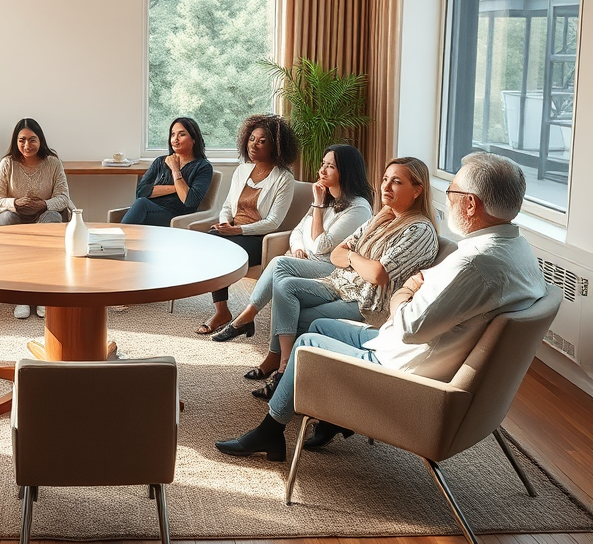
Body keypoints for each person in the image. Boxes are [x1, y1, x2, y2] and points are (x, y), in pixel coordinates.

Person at [215, 152, 547, 462]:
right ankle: (331, 417)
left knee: (306, 343)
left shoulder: (473, 264)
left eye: (451, 192)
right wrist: (410, 285)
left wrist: (405, 292)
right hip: (399, 343)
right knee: (318, 325)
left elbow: (411, 328)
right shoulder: (516, 251)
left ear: (470, 204)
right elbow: (347, 257)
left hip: (401, 366)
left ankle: (270, 432)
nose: (447, 199)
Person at [244, 156, 438, 401]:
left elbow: (378, 275)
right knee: (286, 287)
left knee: (298, 317)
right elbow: (337, 254)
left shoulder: (418, 230)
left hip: (368, 304)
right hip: (341, 284)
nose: (386, 187)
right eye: (385, 179)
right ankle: (281, 364)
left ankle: (286, 377)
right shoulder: (381, 218)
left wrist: (353, 256)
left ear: (417, 190)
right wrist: (357, 260)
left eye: (396, 182)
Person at [212, 144, 373, 342]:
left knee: (279, 263)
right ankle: (268, 341)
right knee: (281, 272)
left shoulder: (358, 209)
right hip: (308, 260)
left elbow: (321, 246)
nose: (322, 170)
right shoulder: (328, 198)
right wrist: (298, 248)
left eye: (330, 166)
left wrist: (318, 205)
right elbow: (297, 231)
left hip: (332, 268)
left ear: (347, 171)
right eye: (323, 164)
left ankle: (247, 317)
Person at [196, 114, 299, 335]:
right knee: (206, 242)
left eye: (262, 141)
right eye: (252, 139)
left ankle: (222, 313)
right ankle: (222, 311)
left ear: (276, 146)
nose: (254, 145)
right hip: (232, 230)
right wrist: (225, 223)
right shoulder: (242, 170)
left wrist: (237, 230)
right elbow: (227, 206)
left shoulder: (284, 178)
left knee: (221, 250)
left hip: (258, 238)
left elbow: (273, 222)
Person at [0, 118, 71, 319]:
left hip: (44, 216)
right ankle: (21, 295)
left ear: (40, 140)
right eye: (22, 140)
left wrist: (44, 204)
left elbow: (63, 197)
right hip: (16, 218)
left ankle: (43, 293)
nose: (27, 145)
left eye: (32, 139)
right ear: (15, 142)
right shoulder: (7, 163)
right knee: (5, 218)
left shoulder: (53, 163)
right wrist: (15, 203)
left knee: (52, 217)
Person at [120, 117, 213, 227]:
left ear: (194, 139)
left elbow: (190, 201)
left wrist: (175, 169)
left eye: (182, 134)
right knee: (141, 202)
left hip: (178, 216)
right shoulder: (160, 161)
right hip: (151, 210)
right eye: (173, 134)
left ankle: (119, 235)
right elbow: (141, 192)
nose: (175, 139)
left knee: (142, 204)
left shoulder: (203, 167)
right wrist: (177, 188)